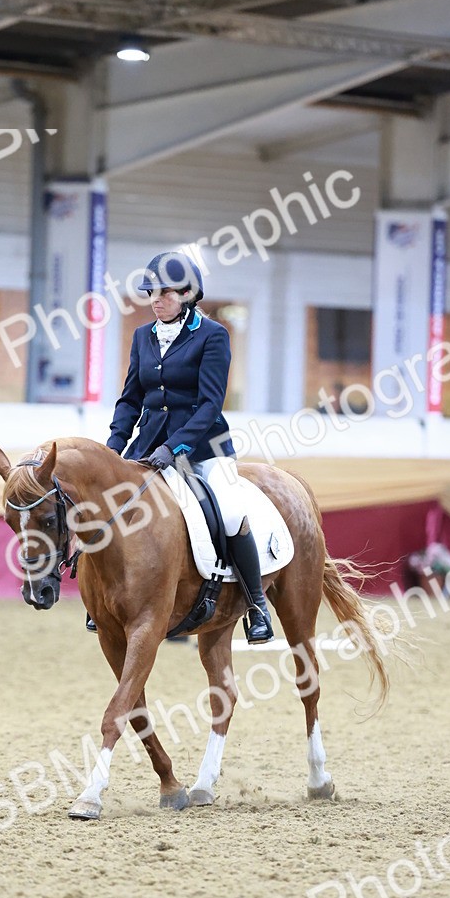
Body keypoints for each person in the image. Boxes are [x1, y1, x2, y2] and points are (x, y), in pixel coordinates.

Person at [93, 250, 273, 644]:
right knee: (115, 506)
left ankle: (257, 604)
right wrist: (113, 448)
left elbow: (210, 404)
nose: (156, 299)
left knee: (229, 511)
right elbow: (130, 399)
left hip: (204, 447)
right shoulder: (143, 336)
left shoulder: (213, 335)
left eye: (165, 292)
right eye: (151, 293)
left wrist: (176, 447)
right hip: (149, 446)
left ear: (189, 293)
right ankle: (106, 601)